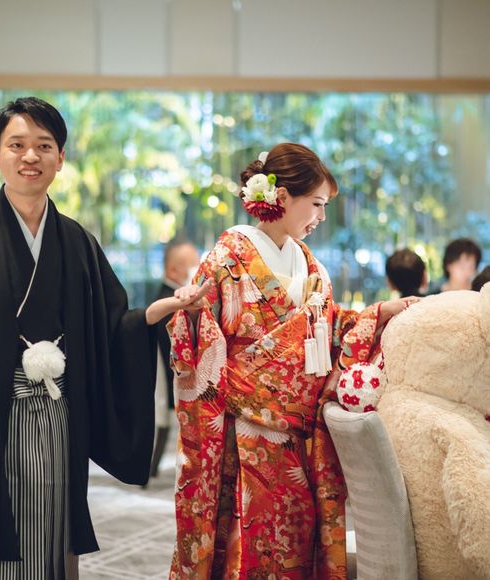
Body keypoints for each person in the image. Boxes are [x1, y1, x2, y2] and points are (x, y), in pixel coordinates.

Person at [0, 96, 208, 579]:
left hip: (53, 419)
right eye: (17, 145)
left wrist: (152, 314)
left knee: (47, 539)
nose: (30, 156)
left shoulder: (76, 241)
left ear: (61, 158)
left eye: (44, 146)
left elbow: (112, 326)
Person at [167, 144, 415, 579]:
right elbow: (197, 335)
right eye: (316, 204)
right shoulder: (227, 258)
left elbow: (331, 329)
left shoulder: (310, 264)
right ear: (281, 197)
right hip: (244, 431)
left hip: (301, 435)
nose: (321, 216)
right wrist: (189, 315)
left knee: (295, 541)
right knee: (248, 544)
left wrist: (378, 314)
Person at [149, 239, 200, 480]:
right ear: (172, 270)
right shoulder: (170, 305)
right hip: (178, 383)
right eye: (193, 265)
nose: (198, 271)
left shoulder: (166, 299)